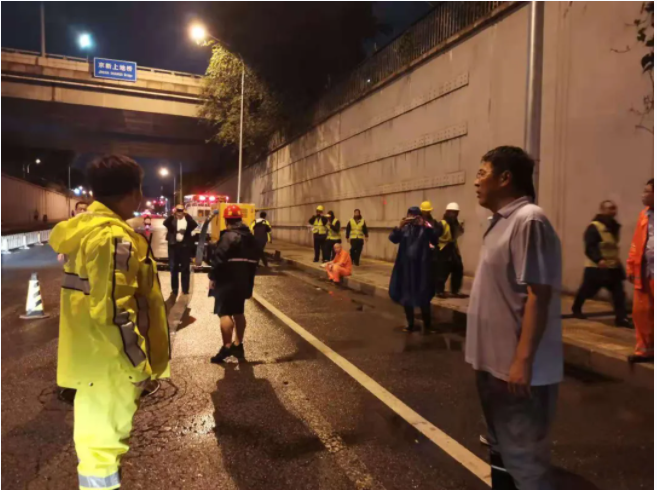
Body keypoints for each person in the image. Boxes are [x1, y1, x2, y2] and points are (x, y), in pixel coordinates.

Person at [49, 155, 170, 490]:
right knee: (102, 453)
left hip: (94, 358)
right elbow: (113, 311)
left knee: (97, 450)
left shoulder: (87, 230)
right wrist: (138, 364)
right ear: (133, 192)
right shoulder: (112, 238)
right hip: (111, 365)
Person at [467, 146, 562, 489]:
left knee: (525, 463)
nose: (476, 181)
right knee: (501, 453)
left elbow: (539, 294)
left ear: (505, 178)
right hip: (493, 368)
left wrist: (522, 361)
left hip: (517, 373)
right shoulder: (500, 222)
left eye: (482, 173)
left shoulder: (528, 220)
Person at [209, 204, 260, 364]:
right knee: (238, 312)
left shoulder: (228, 236)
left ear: (226, 220)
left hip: (227, 281)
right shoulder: (250, 237)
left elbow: (219, 259)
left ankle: (226, 347)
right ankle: (238, 344)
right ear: (240, 219)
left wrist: (212, 277)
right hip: (244, 281)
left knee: (224, 313)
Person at [572, 200, 630, 327]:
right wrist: (598, 259)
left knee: (618, 293)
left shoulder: (614, 226)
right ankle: (576, 308)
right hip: (596, 267)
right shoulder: (594, 227)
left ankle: (621, 318)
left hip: (613, 267)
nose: (613, 211)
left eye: (614, 208)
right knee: (587, 291)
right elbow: (590, 247)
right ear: (602, 210)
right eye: (610, 208)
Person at [389, 206, 438, 333]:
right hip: (406, 268)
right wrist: (399, 227)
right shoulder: (404, 229)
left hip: (421, 268)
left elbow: (435, 239)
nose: (412, 218)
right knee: (407, 295)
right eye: (410, 215)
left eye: (415, 216)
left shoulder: (425, 228)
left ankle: (428, 325)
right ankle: (410, 324)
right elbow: (393, 239)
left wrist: (425, 226)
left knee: (423, 294)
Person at [627, 178, 654, 363]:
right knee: (641, 311)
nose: (643, 195)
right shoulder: (644, 215)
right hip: (645, 271)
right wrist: (631, 265)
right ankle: (645, 350)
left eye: (647, 192)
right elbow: (636, 242)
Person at [163, 204, 198, 296]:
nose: (179, 212)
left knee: (185, 268)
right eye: (178, 210)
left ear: (184, 210)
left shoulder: (187, 220)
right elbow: (165, 223)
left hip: (185, 247)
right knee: (173, 268)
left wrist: (187, 215)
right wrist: (172, 214)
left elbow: (194, 225)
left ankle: (185, 289)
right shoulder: (172, 220)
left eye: (181, 210)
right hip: (173, 246)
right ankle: (175, 290)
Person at [435, 202, 465, 298]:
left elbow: (458, 234)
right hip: (443, 249)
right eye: (452, 212)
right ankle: (439, 290)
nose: (454, 215)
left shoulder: (455, 223)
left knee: (458, 268)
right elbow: (434, 237)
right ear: (447, 212)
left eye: (456, 212)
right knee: (443, 270)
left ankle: (455, 290)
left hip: (452, 249)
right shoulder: (442, 224)